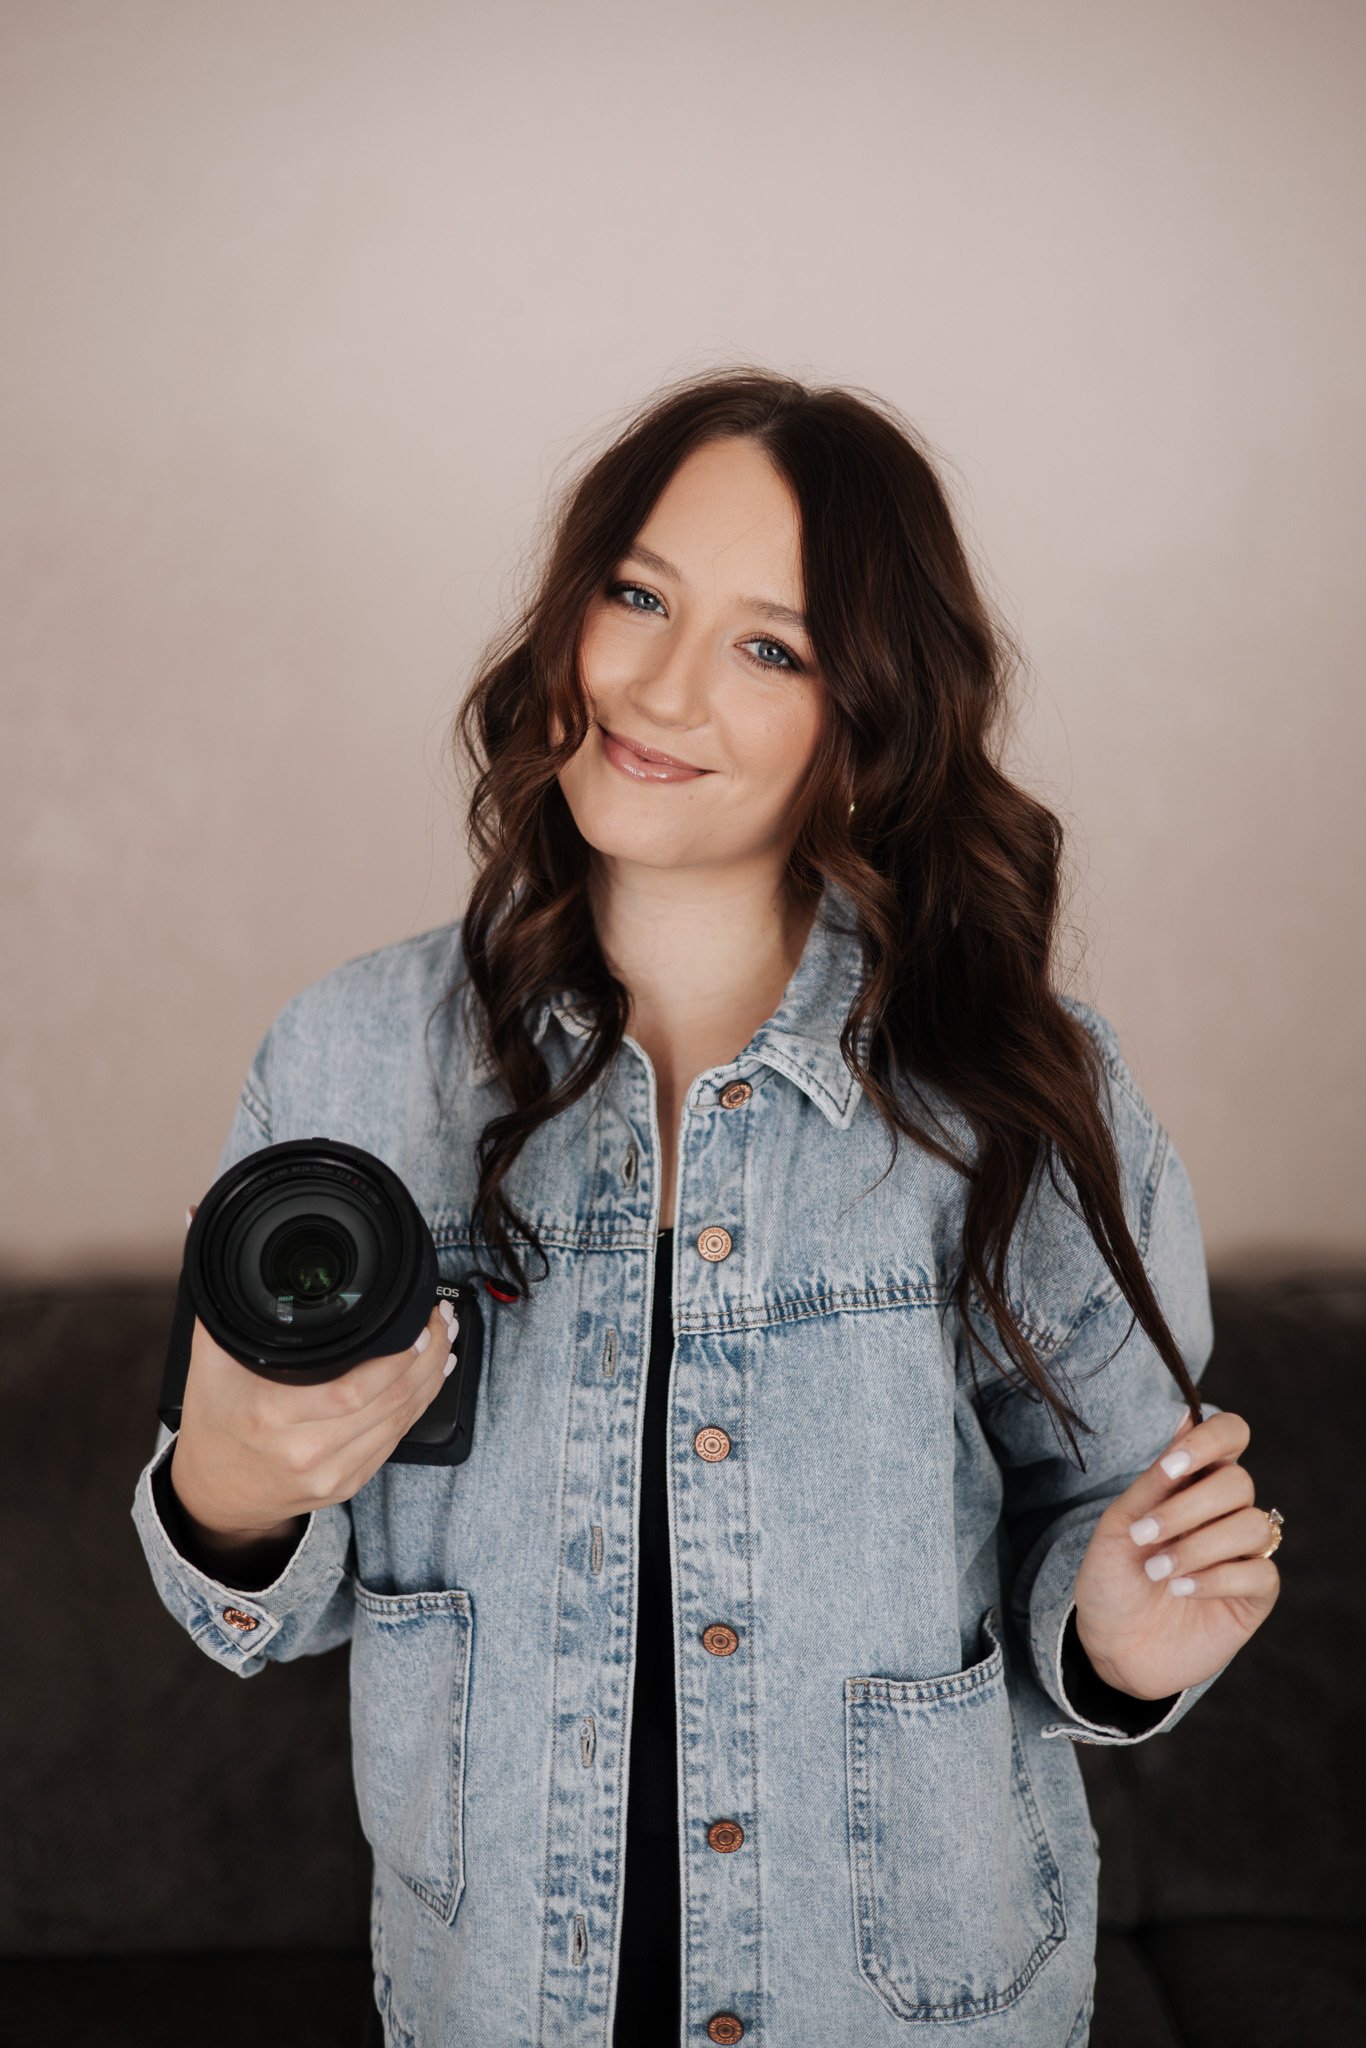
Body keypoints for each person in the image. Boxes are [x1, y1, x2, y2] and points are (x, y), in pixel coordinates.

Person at [132, 369, 1282, 2047]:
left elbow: (1105, 1540)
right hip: (490, 2001)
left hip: (916, 2006)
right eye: (637, 596)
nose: (659, 686)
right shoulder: (353, 1059)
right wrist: (227, 1490)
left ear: (863, 725)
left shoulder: (1020, 1090)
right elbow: (257, 1604)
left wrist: (1118, 1640)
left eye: (771, 645)